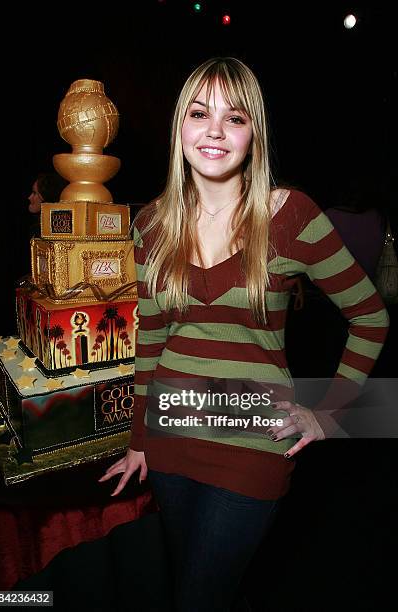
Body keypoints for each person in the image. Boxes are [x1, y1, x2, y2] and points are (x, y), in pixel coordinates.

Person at [99, 57, 389, 611]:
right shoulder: (150, 224)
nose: (213, 130)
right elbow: (151, 340)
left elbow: (371, 317)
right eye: (199, 113)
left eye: (234, 118)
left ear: (254, 134)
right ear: (178, 126)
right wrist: (139, 440)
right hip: (171, 435)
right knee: (192, 584)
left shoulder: (292, 215)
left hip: (253, 441)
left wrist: (331, 415)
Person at [27, 171, 68, 236]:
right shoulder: (36, 227)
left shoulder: (54, 233)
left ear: (46, 198)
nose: (29, 197)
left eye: (34, 193)